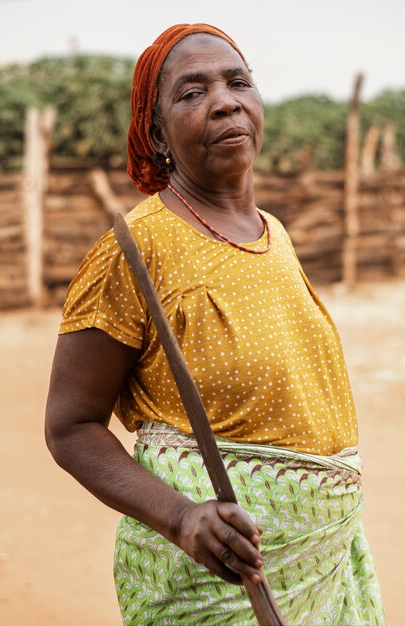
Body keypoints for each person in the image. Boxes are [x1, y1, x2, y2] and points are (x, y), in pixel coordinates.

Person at [45, 23, 385, 625]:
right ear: (157, 134)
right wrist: (180, 518)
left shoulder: (274, 233)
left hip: (321, 563)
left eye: (238, 82)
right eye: (191, 92)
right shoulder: (136, 248)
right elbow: (70, 427)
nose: (224, 100)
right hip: (215, 580)